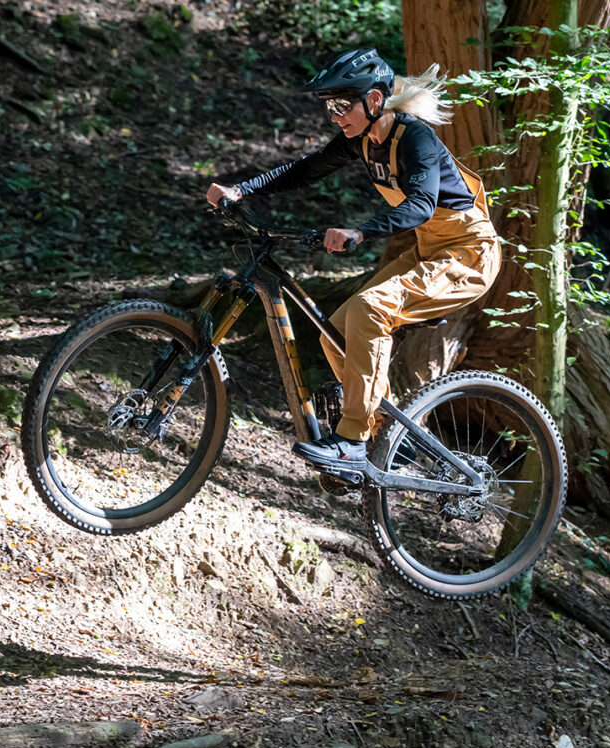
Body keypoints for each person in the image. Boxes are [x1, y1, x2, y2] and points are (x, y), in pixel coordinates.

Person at [206, 47, 501, 471]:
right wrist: (242, 189)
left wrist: (360, 231)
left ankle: (352, 440)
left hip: (469, 254)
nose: (334, 115)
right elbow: (307, 168)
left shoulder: (415, 138)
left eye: (342, 105)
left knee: (370, 309)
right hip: (432, 251)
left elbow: (420, 206)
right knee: (335, 332)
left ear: (375, 101)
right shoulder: (361, 139)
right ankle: (392, 435)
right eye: (330, 106)